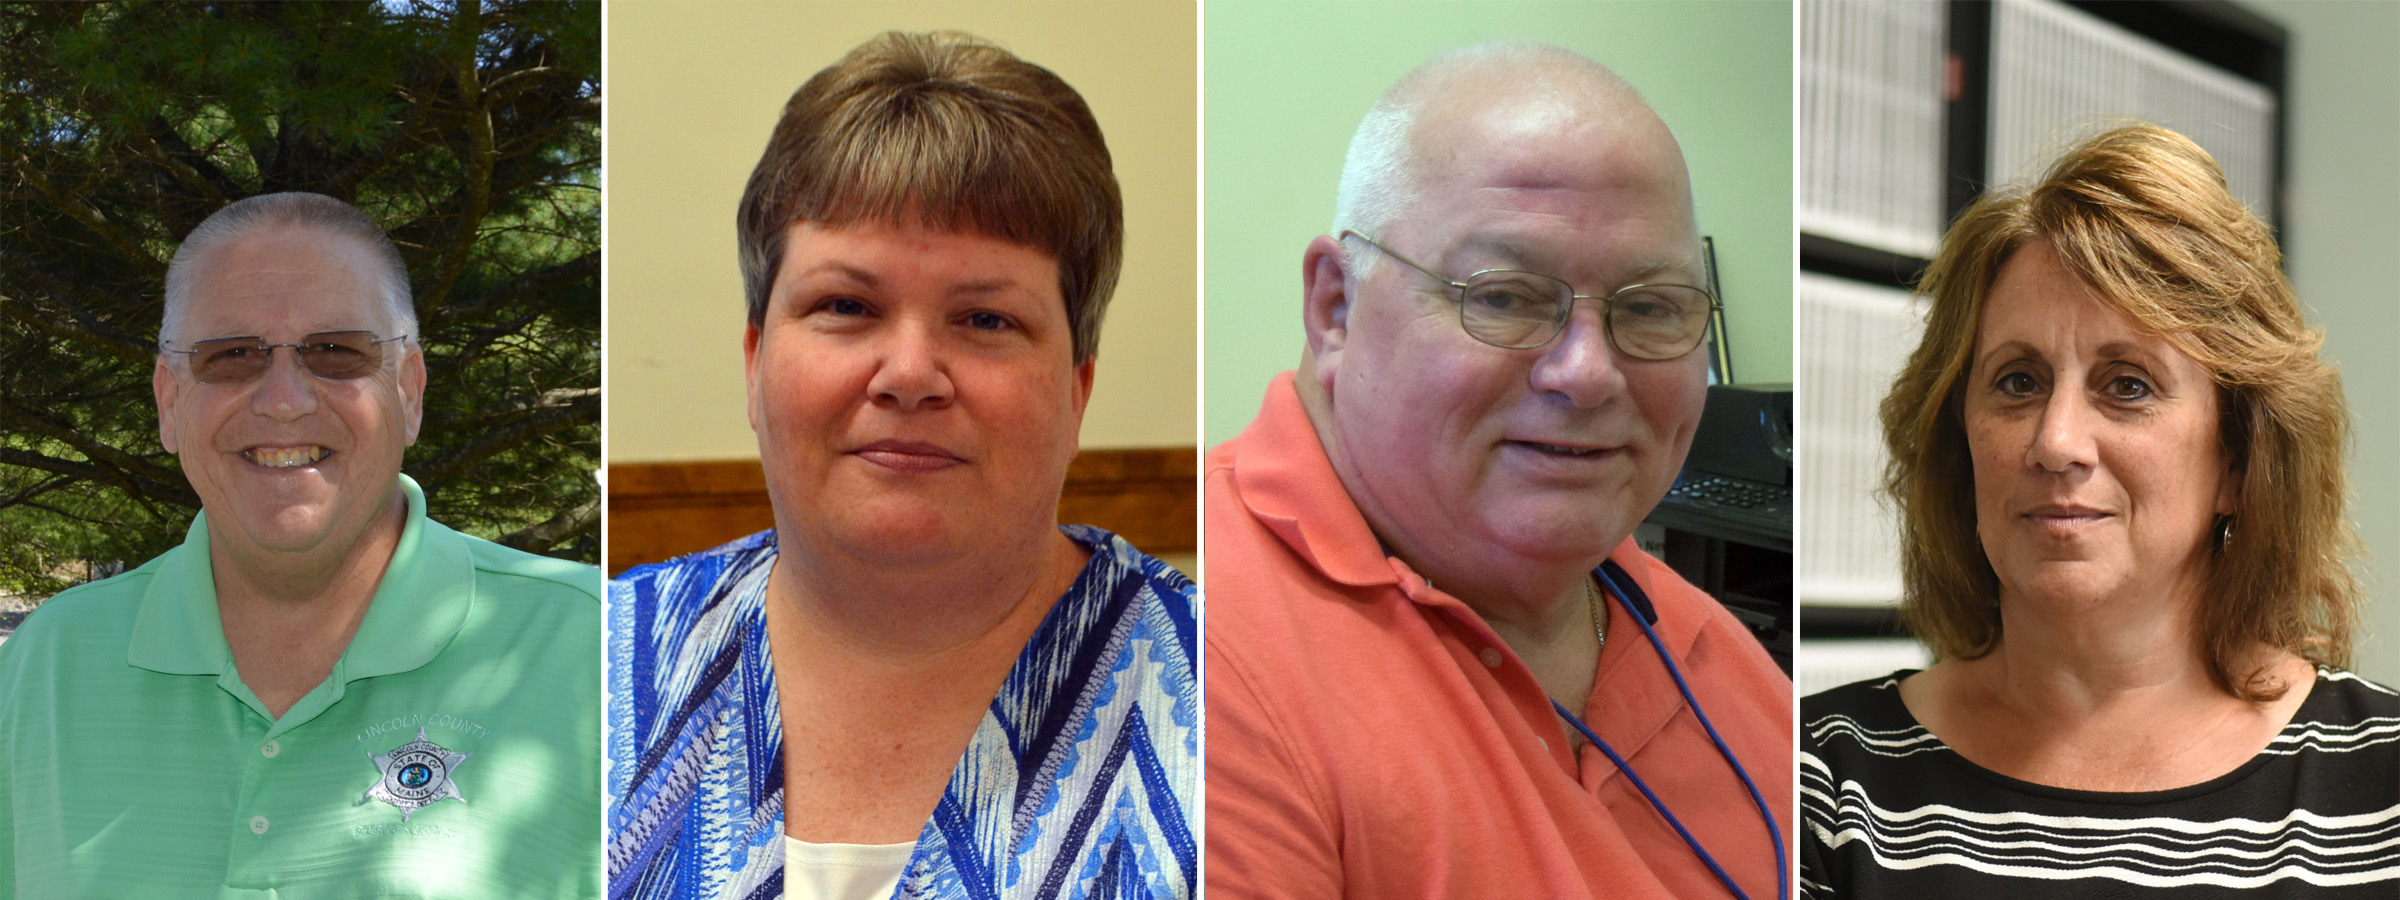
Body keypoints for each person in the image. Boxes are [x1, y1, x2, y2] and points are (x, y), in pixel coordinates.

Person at [603, 31, 1197, 900]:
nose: (911, 373)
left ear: (1078, 391)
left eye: (987, 320)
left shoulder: (1236, 704)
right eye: (846, 305)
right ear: (755, 363)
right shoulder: (593, 671)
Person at [1204, 43, 1791, 900]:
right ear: (1336, 308)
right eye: (1505, 296)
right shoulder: (1200, 663)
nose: (1587, 373)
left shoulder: (1724, 658)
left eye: (1652, 308)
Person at [1799, 125, 2400, 897]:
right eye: (2018, 382)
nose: (2056, 442)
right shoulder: (1824, 783)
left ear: (2240, 461)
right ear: (1960, 438)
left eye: (2128, 385)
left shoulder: (2382, 785)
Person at [0, 192, 601, 895]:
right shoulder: (48, 666)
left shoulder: (589, 647)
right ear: (168, 402)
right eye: (231, 357)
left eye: (338, 352)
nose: (283, 400)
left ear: (409, 391)